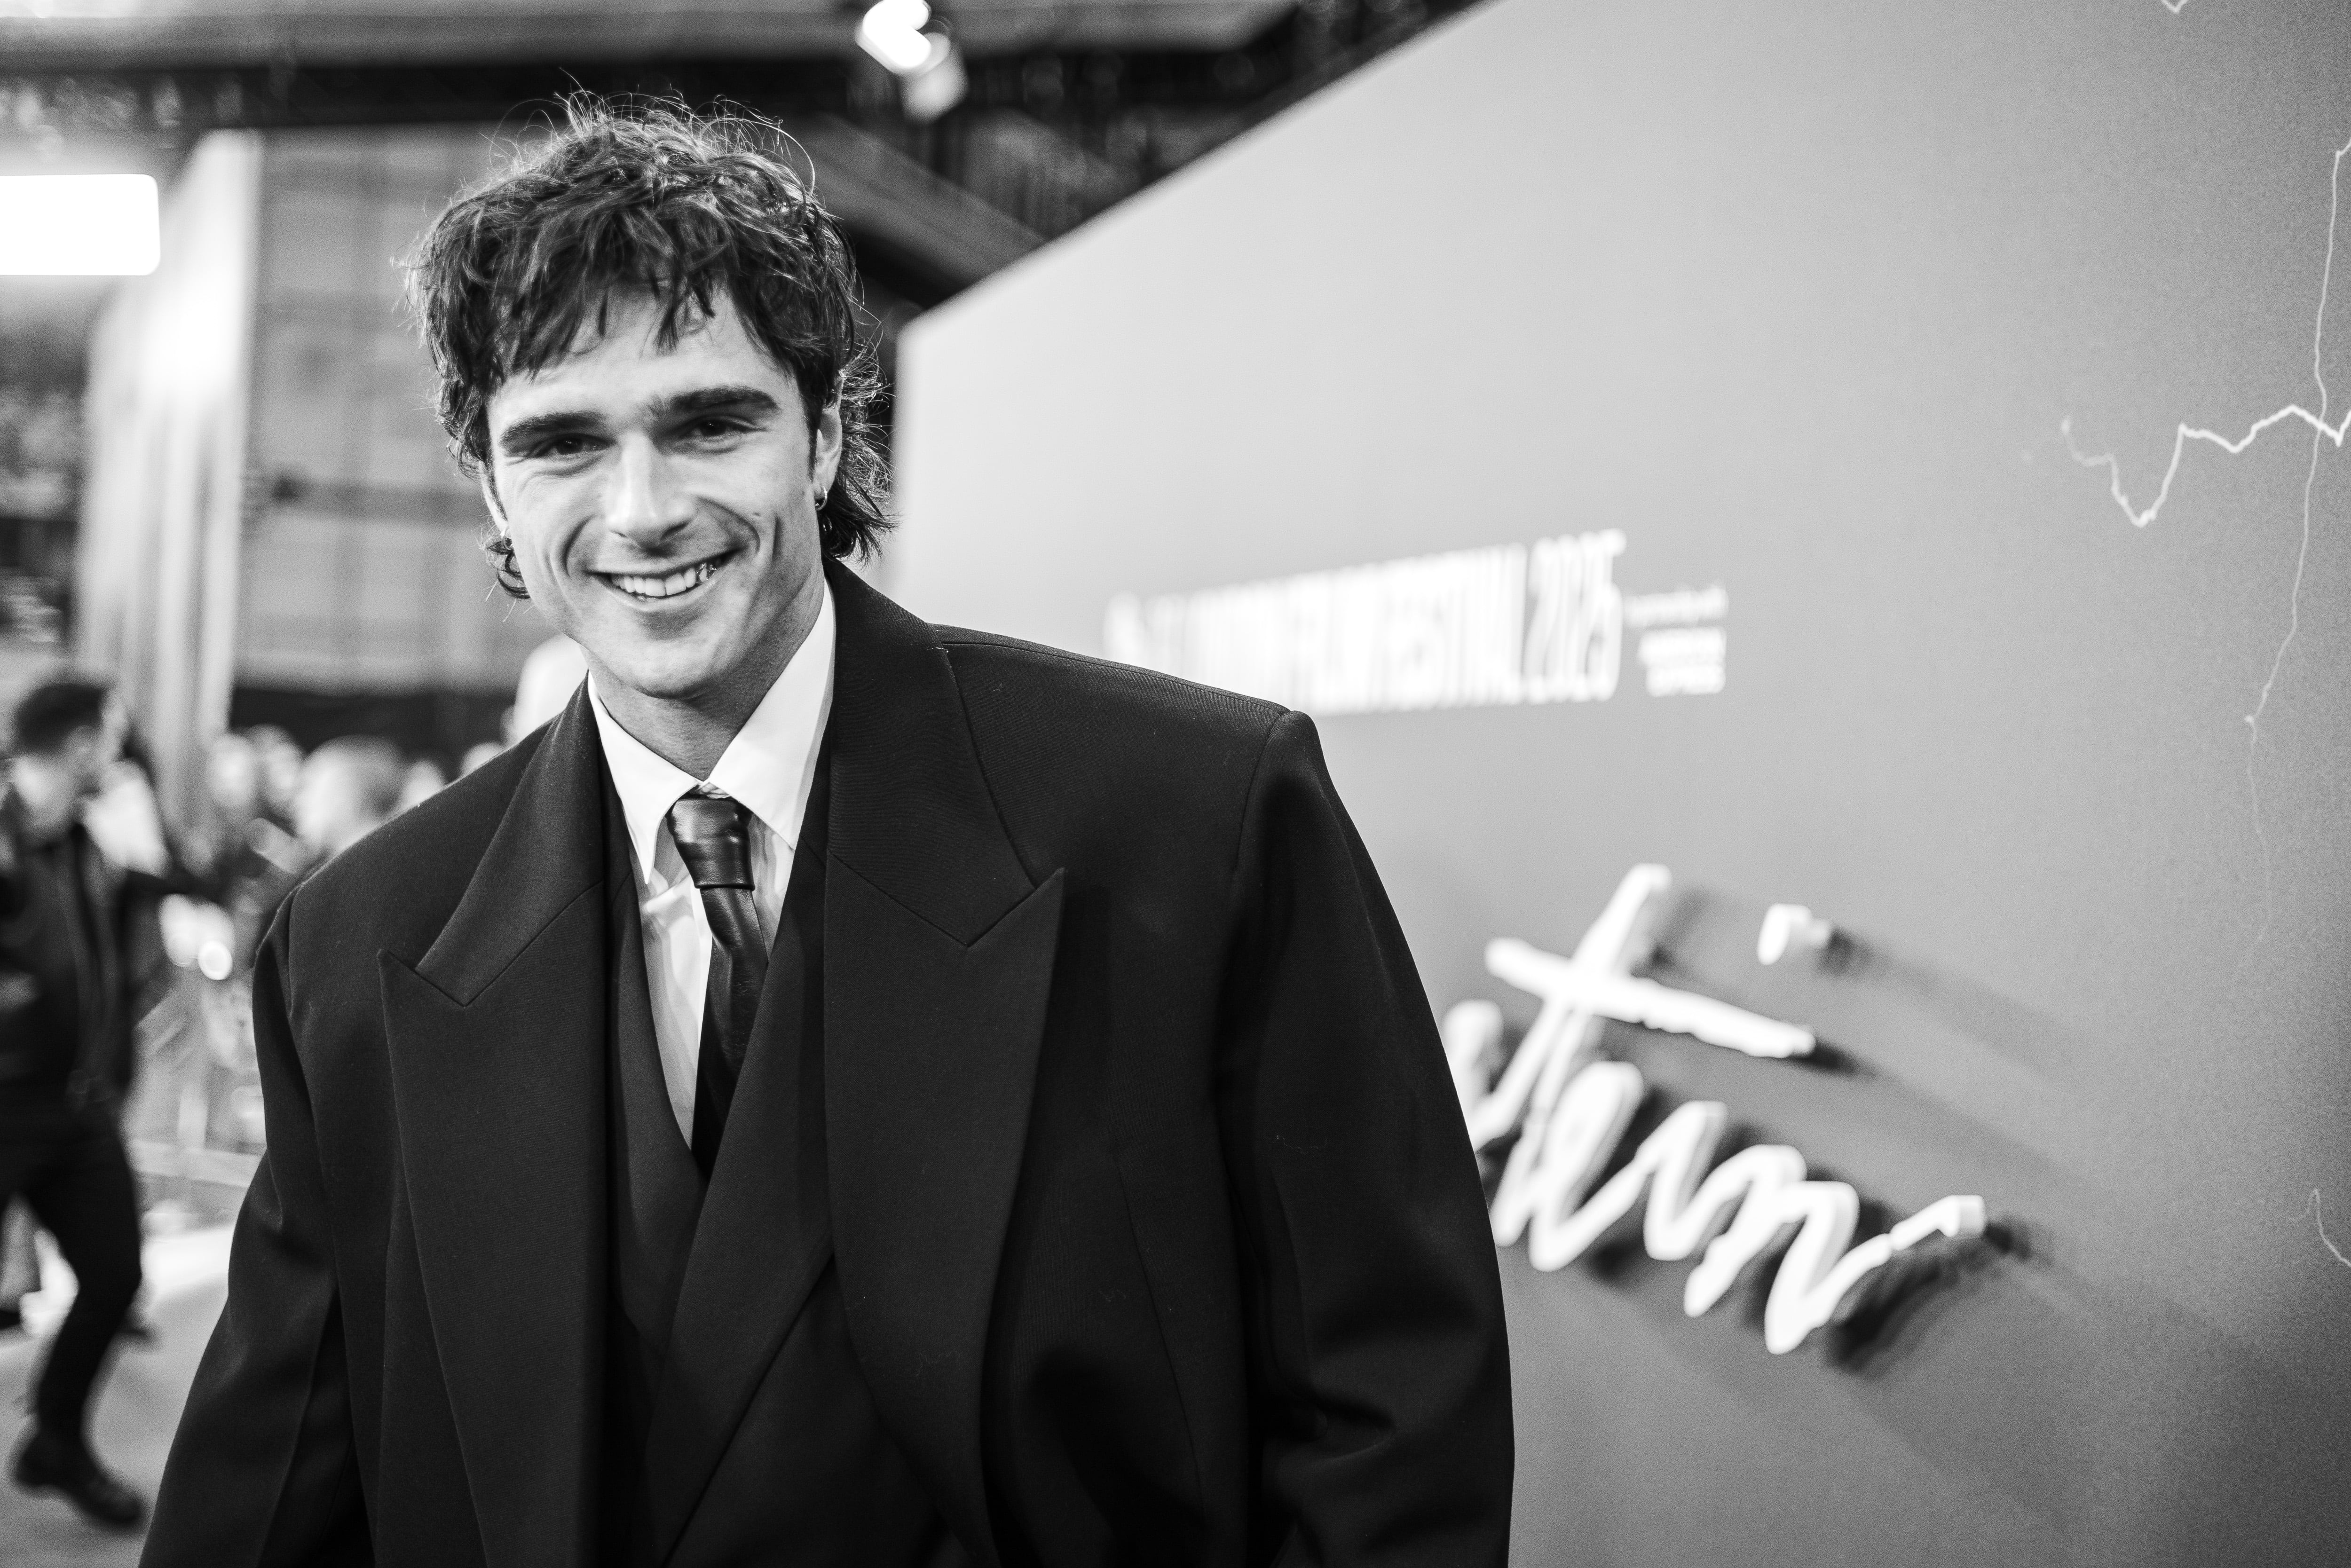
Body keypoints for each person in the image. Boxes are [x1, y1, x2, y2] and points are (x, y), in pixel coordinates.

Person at [144, 101, 1513, 1567]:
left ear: (826, 433)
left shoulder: (1199, 819)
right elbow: (273, 1488)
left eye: (708, 421)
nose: (643, 510)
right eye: (560, 445)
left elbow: (1389, 1412)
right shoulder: (363, 944)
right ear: (491, 486)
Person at [0, 678, 151, 1531]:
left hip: (75, 1109)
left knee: (114, 1275)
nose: (122, 757)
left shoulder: (88, 842)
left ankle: (55, 1438)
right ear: (84, 744)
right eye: (115, 738)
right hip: (5, 1103)